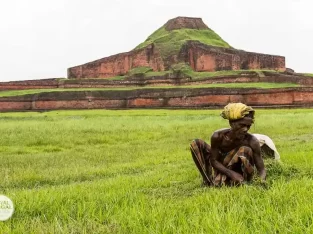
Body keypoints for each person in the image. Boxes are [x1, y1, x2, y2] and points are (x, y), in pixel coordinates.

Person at [190, 103, 266, 186]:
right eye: (242, 125)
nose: (245, 129)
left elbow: (261, 169)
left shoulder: (252, 141)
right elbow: (213, 160)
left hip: (239, 171)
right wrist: (231, 174)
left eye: (248, 126)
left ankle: (242, 181)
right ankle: (207, 181)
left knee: (245, 150)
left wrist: (261, 181)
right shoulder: (218, 136)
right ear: (231, 123)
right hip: (222, 167)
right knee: (196, 144)